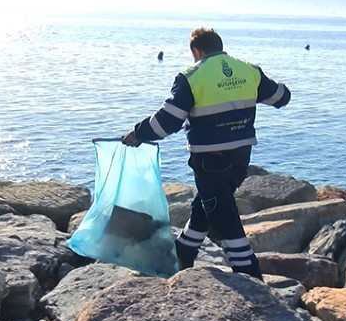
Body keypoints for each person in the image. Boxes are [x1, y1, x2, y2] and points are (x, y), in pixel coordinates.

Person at [122, 27, 290, 280]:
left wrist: (138, 134)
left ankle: (249, 273)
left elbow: (168, 120)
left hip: (209, 159)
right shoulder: (248, 70)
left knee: (223, 215)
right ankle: (183, 253)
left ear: (197, 51)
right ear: (220, 47)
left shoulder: (191, 77)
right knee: (207, 204)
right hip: (240, 157)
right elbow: (281, 97)